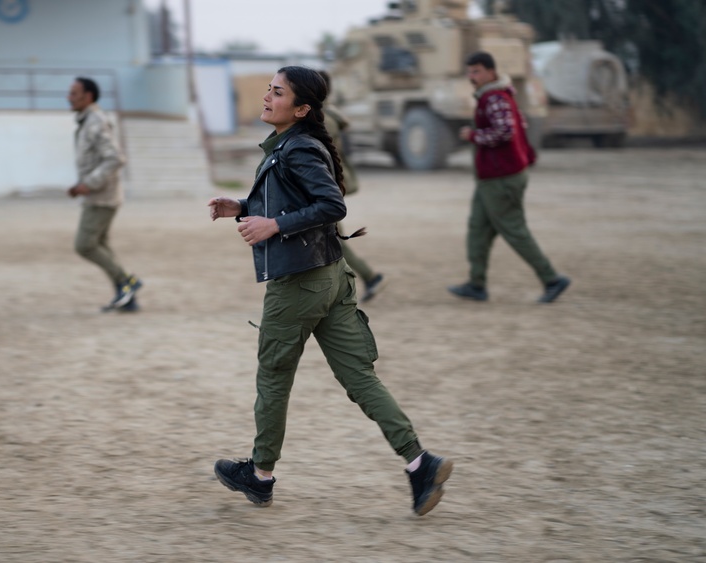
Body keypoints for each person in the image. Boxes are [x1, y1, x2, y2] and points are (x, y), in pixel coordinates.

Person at [207, 66, 452, 516]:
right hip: (329, 276)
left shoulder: (297, 147)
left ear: (300, 109)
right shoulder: (293, 145)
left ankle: (260, 477)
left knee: (274, 377)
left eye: (277, 93)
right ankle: (420, 464)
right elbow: (300, 197)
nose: (266, 97)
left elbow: (332, 205)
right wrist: (242, 207)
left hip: (300, 283)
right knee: (360, 378)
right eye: (269, 89)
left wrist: (272, 225)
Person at [451, 51, 570, 303]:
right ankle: (476, 284)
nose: (472, 76)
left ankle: (552, 279)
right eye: (470, 72)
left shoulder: (494, 97)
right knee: (477, 230)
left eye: (477, 71)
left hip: (501, 178)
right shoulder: (496, 95)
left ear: (491, 72)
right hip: (491, 178)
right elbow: (520, 127)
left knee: (514, 230)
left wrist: (473, 136)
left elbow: (505, 132)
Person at [66, 77, 141, 312]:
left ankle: (128, 282)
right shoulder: (86, 121)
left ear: (88, 96)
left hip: (102, 197)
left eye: (74, 93)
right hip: (98, 195)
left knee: (84, 245)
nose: (69, 97)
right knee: (101, 246)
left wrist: (89, 183)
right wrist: (82, 184)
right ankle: (127, 297)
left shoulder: (95, 122)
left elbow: (115, 158)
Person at [318, 70, 386, 302]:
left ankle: (368, 277)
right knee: (329, 237)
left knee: (332, 238)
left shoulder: (323, 119)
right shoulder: (324, 115)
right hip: (327, 185)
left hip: (325, 186)